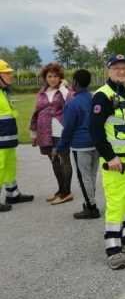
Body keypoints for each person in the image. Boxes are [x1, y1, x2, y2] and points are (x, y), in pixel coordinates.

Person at [90, 54, 125, 270]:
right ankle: (113, 248)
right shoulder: (103, 95)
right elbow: (95, 130)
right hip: (117, 161)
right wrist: (110, 156)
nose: (121, 71)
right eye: (117, 67)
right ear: (108, 71)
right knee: (116, 203)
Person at [53, 69, 101, 219]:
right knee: (92, 175)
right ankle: (89, 202)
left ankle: (91, 208)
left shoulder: (72, 103)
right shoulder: (95, 99)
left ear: (75, 82)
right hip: (96, 143)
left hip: (81, 145)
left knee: (83, 176)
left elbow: (68, 129)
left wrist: (60, 147)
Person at [30, 62, 74, 205]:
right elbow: (36, 113)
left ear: (60, 77)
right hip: (45, 132)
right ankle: (60, 190)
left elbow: (71, 100)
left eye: (55, 76)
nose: (52, 79)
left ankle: (67, 192)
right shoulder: (41, 92)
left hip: (61, 130)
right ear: (45, 77)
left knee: (63, 158)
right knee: (53, 160)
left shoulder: (65, 89)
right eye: (49, 76)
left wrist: (62, 87)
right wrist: (34, 133)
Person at [0, 60, 34, 211]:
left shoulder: (3, 92)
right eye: (7, 73)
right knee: (0, 168)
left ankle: (12, 194)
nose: (11, 75)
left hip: (7, 138)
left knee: (9, 167)